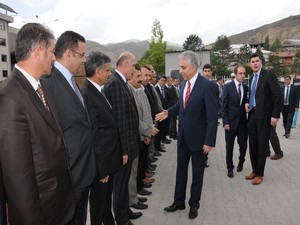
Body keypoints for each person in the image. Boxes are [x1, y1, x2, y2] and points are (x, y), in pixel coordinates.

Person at [0, 23, 75, 225]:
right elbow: (18, 179)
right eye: (52, 51)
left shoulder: (41, 89)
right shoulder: (9, 97)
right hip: (41, 214)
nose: (54, 57)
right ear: (38, 51)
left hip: (59, 206)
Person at [156, 51, 218, 219]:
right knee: (180, 171)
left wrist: (209, 141)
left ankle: (194, 204)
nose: (180, 71)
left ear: (193, 66)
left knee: (197, 174)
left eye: (183, 67)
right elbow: (181, 106)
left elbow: (212, 117)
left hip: (200, 141)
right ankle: (178, 201)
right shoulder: (183, 85)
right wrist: (168, 112)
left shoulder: (208, 86)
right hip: (183, 138)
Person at [41, 31, 95, 225]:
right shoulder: (48, 83)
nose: (84, 60)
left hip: (83, 171)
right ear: (69, 54)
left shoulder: (72, 81)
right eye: (82, 54)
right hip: (69, 176)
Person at [81, 51, 122, 225]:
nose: (109, 73)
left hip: (109, 161)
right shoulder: (88, 95)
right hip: (101, 166)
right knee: (98, 206)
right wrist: (102, 169)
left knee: (105, 204)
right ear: (98, 71)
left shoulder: (99, 91)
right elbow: (94, 136)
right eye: (107, 70)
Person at [104, 51, 140, 225]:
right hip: (122, 147)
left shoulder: (121, 82)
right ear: (125, 64)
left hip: (128, 145)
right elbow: (120, 120)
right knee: (119, 185)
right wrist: (124, 150)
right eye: (133, 65)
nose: (134, 69)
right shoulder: (116, 84)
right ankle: (121, 218)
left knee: (124, 183)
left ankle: (125, 210)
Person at [245, 53, 282, 185]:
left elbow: (278, 95)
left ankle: (260, 174)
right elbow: (253, 95)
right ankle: (254, 170)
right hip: (252, 115)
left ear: (261, 62)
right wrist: (247, 104)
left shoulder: (268, 75)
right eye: (252, 62)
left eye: (257, 61)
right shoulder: (250, 78)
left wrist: (275, 115)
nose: (254, 63)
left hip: (265, 117)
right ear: (250, 64)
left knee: (262, 146)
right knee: (253, 145)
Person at [128, 65, 159, 212]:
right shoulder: (130, 91)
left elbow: (146, 112)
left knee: (139, 166)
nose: (141, 79)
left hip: (145, 133)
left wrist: (148, 132)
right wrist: (147, 132)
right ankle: (133, 196)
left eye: (142, 76)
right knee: (134, 169)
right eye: (138, 76)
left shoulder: (140, 90)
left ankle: (136, 191)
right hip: (138, 135)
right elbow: (134, 117)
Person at [221, 65, 248, 178]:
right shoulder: (227, 87)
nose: (242, 75)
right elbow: (223, 106)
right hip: (230, 123)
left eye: (244, 73)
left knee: (243, 145)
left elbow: (246, 101)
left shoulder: (246, 87)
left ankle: (241, 162)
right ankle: (229, 167)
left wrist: (247, 104)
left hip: (242, 122)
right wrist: (225, 122)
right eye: (240, 73)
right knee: (229, 147)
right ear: (235, 74)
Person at [202, 63, 219, 167]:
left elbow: (216, 100)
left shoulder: (214, 86)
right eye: (205, 71)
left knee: (207, 138)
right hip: (200, 116)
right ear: (203, 72)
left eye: (209, 71)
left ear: (211, 72)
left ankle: (205, 158)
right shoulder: (199, 84)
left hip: (209, 116)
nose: (207, 73)